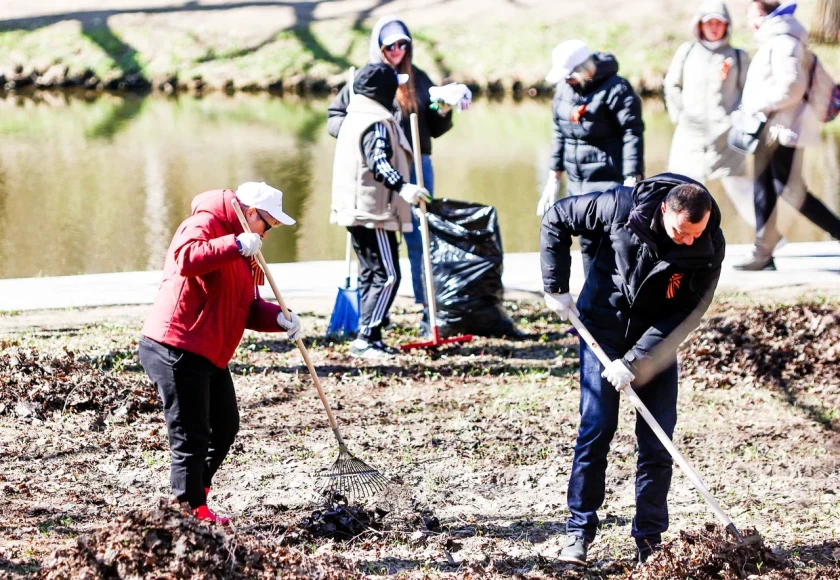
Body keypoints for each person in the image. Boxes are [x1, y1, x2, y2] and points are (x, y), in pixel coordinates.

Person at [540, 175, 725, 564]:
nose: (688, 240)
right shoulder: (622, 205)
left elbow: (687, 313)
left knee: (657, 443)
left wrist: (636, 360)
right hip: (601, 329)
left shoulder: (708, 245)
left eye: (697, 232)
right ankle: (578, 532)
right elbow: (557, 217)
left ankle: (649, 542)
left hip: (655, 345)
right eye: (681, 231)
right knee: (596, 430)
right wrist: (555, 284)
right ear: (664, 211)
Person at [139, 182, 302, 524]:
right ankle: (189, 511)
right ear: (251, 213)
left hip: (209, 351)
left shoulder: (250, 251)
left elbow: (248, 307)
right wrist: (234, 244)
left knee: (225, 427)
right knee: (192, 435)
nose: (268, 234)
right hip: (176, 345)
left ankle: (197, 494)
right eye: (268, 225)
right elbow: (186, 258)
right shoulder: (206, 222)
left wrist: (280, 319)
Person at [327, 16, 455, 333]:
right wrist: (361, 135)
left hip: (417, 166)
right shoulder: (365, 79)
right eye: (390, 45)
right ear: (378, 46)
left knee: (420, 238)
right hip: (378, 170)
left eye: (403, 44)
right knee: (377, 241)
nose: (397, 49)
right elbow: (334, 118)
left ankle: (429, 311)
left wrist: (444, 110)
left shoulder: (419, 78)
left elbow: (434, 129)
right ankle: (372, 314)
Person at [330, 62, 430, 359]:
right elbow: (379, 162)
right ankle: (367, 337)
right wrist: (405, 188)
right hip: (374, 213)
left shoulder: (355, 115)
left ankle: (367, 333)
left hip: (357, 210)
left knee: (370, 274)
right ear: (383, 90)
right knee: (387, 275)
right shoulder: (375, 121)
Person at [736, 0, 840, 270]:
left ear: (760, 13)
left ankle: (764, 253)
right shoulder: (779, 39)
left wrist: (757, 105)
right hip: (775, 128)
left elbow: (792, 86)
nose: (748, 21)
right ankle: (763, 254)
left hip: (782, 129)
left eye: (750, 14)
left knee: (788, 189)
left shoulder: (784, 41)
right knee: (767, 188)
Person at [536, 39, 645, 277]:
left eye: (570, 75)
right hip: (578, 184)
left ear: (585, 69)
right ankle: (591, 299)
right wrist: (553, 176)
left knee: (617, 243)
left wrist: (632, 177)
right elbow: (559, 132)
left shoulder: (617, 89)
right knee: (587, 243)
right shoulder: (564, 90)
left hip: (611, 181)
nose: (567, 81)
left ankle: (624, 302)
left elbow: (632, 133)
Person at [664, 0, 755, 227]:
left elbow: (750, 93)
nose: (714, 27)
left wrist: (736, 119)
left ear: (727, 26)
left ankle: (770, 241)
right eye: (709, 22)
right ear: (700, 25)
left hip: (726, 137)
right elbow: (672, 85)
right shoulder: (687, 52)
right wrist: (680, 116)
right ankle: (682, 238)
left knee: (741, 189)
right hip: (690, 136)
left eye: (719, 22)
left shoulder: (737, 56)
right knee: (681, 191)